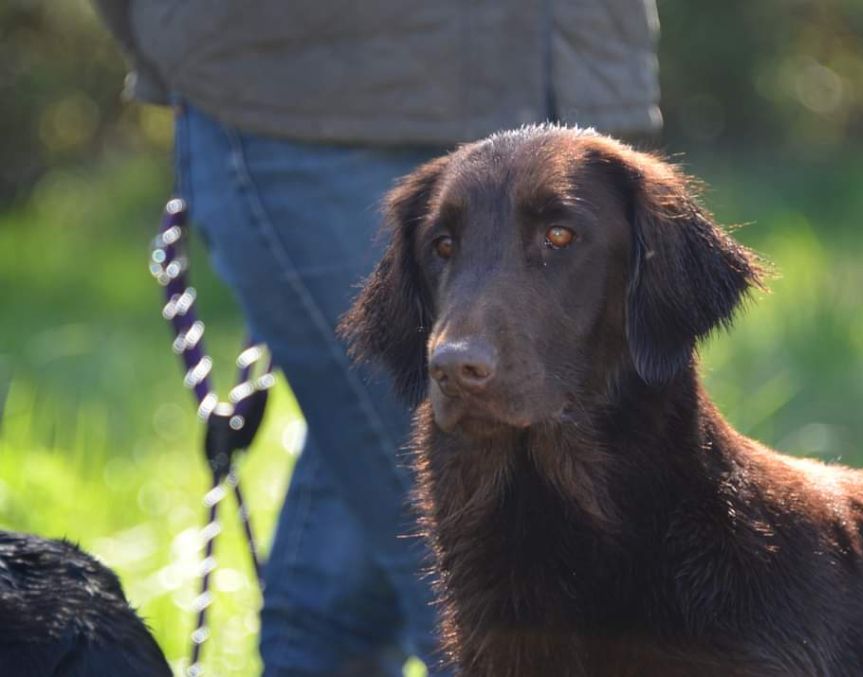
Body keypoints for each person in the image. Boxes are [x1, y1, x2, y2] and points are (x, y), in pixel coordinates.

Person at [92, 2, 661, 674]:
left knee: (341, 599)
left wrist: (601, 86)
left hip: (533, 92)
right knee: (501, 576)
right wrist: (181, 42)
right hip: (297, 107)